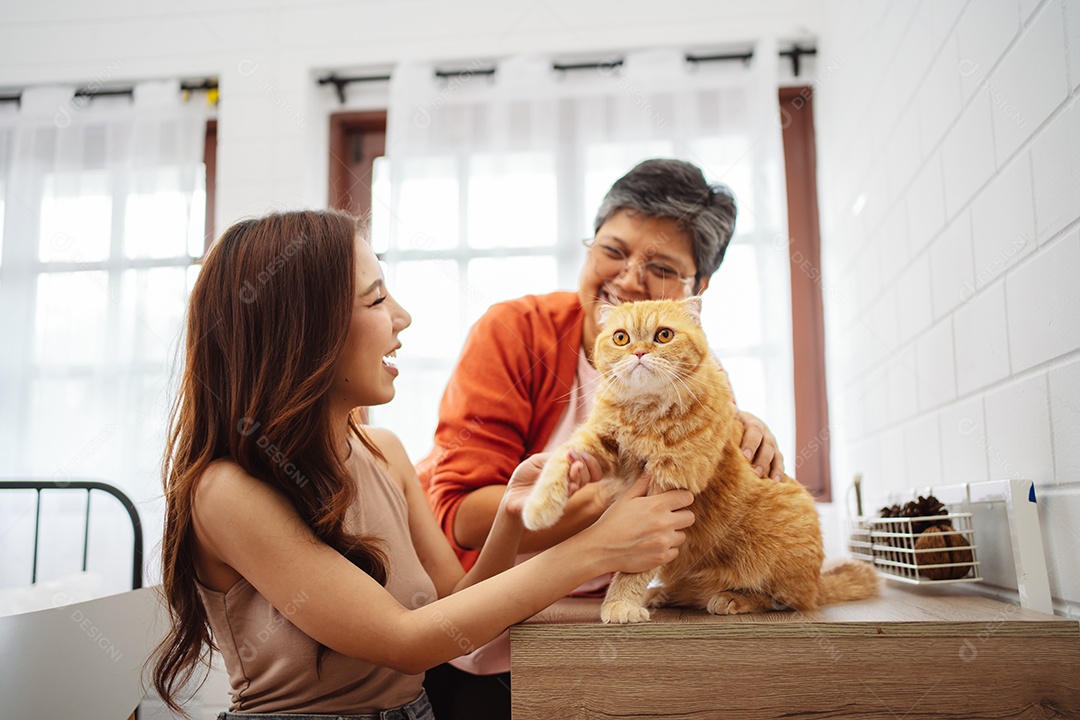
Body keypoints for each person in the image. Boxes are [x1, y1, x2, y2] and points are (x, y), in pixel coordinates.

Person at [151, 210, 696, 719]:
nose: (402, 317)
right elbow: (406, 640)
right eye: (375, 300)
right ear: (302, 330)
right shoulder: (225, 491)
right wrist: (596, 546)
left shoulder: (382, 451)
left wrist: (510, 516)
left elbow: (457, 616)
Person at [417, 158, 786, 718]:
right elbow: (463, 517)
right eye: (613, 251)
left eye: (660, 266)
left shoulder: (694, 372)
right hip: (483, 626)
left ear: (698, 287)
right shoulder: (515, 333)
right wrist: (609, 507)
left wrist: (739, 439)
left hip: (606, 628)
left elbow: (701, 511)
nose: (629, 278)